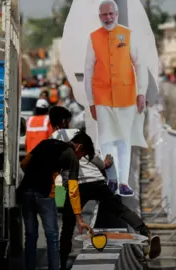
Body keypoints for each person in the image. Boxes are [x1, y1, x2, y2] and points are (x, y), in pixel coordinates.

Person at [48, 106, 161, 269]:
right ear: (65, 121)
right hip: (96, 180)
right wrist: (105, 164)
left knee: (68, 225)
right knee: (119, 209)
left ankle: (62, 262)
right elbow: (94, 158)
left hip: (76, 186)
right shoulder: (78, 135)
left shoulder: (53, 139)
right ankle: (146, 233)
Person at [84, 0, 148, 196]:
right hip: (102, 96)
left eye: (111, 14)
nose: (108, 18)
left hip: (126, 96)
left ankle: (123, 182)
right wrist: (91, 102)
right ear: (100, 16)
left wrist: (141, 92)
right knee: (106, 140)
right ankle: (111, 178)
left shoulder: (128, 35)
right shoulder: (94, 38)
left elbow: (139, 65)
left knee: (123, 140)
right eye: (104, 15)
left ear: (117, 14)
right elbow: (88, 71)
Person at [18, 131, 95, 270]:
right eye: (82, 155)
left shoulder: (45, 142)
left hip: (26, 191)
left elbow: (24, 164)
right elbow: (73, 189)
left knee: (30, 236)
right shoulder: (71, 155)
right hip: (44, 194)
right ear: (79, 147)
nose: (79, 158)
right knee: (52, 236)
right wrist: (78, 218)